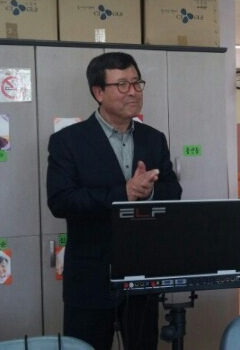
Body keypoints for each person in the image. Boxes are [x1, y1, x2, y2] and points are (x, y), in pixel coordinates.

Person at [47, 52, 182, 350]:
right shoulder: (68, 141)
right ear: (98, 92)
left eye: (136, 83)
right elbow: (61, 201)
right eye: (122, 84)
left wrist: (148, 193)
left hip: (142, 272)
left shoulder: (153, 138)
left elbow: (173, 190)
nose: (133, 92)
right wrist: (124, 193)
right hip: (90, 277)